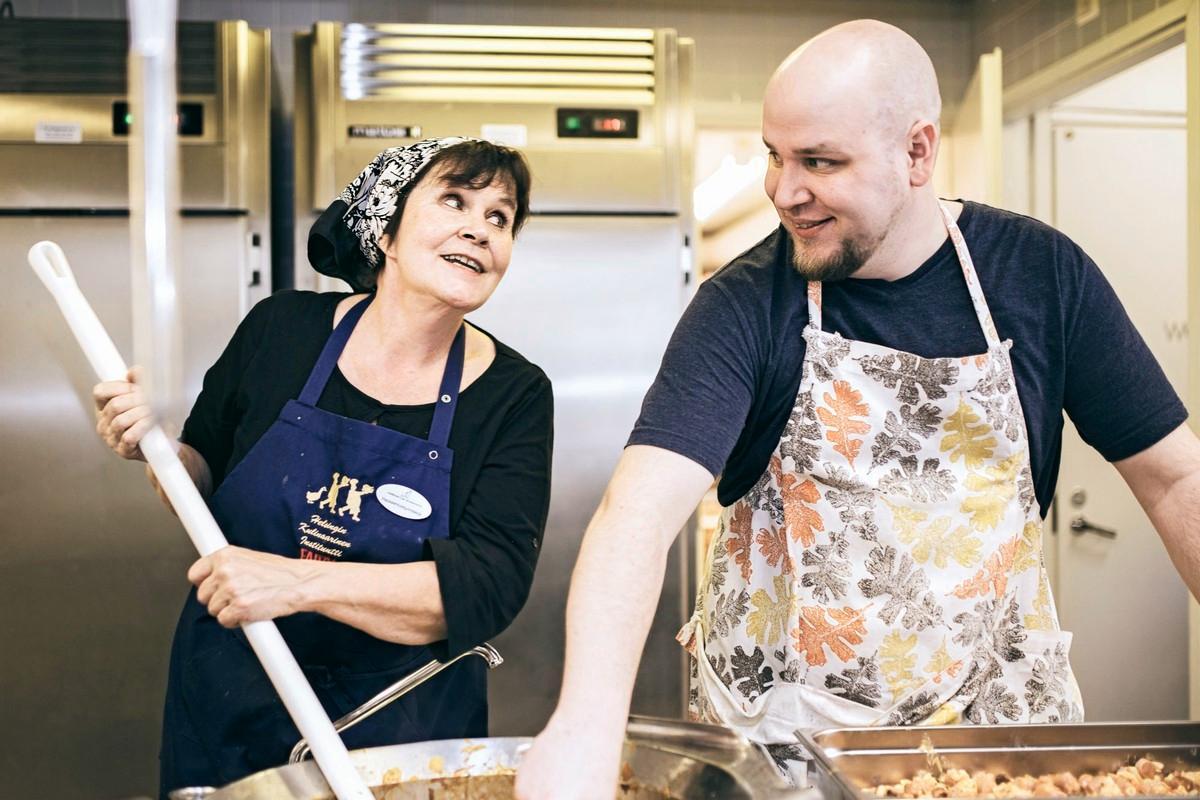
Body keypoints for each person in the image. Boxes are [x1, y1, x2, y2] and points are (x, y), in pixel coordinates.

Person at [514, 19, 1200, 799]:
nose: (783, 189)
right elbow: (635, 515)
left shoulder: (1042, 276)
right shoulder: (743, 305)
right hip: (795, 748)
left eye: (820, 161)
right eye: (773, 155)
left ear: (917, 152)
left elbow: (1176, 481)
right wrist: (585, 726)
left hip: (997, 752)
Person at [92, 138, 554, 795]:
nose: (479, 229)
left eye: (499, 218)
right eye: (455, 201)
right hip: (232, 700)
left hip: (403, 730)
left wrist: (298, 584)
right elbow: (203, 483)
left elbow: (486, 588)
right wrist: (157, 446)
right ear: (387, 229)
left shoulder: (514, 394)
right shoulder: (280, 329)